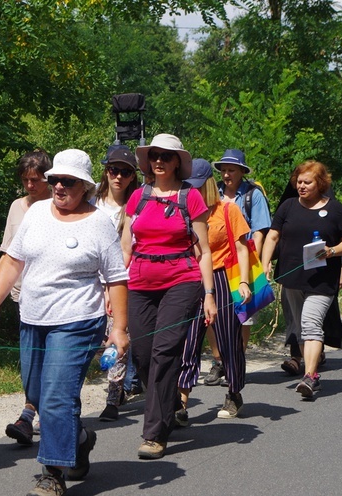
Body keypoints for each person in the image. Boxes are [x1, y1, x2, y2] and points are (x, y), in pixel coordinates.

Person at [0, 149, 129, 496]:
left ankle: (53, 474)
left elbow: (117, 278)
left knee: (56, 398)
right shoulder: (34, 213)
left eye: (68, 181)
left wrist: (118, 329)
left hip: (77, 321)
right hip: (33, 318)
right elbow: (13, 261)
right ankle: (77, 439)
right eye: (55, 180)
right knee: (36, 393)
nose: (59, 186)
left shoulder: (98, 224)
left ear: (86, 186)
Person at [123, 134, 217, 459]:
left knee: (165, 351)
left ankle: (154, 434)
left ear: (177, 161)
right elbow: (125, 245)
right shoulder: (137, 197)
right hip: (139, 282)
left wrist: (209, 294)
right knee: (144, 354)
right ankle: (170, 403)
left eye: (165, 155)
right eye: (154, 155)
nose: (159, 161)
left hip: (182, 279)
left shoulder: (191, 198)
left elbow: (205, 252)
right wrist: (114, 289)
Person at [261, 160, 342, 397]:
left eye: (307, 182)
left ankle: (310, 376)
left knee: (311, 324)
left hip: (322, 280)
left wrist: (333, 251)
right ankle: (309, 370)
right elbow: (272, 236)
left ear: (320, 183)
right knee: (301, 327)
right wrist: (264, 264)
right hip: (291, 277)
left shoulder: (335, 210)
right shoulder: (288, 207)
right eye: (299, 182)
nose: (301, 186)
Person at [177, 158, 251, 424]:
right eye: (189, 186)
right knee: (188, 340)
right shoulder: (183, 210)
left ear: (208, 184)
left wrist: (244, 282)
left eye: (197, 186)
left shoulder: (227, 210)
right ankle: (181, 403)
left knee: (229, 340)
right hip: (191, 277)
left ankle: (233, 391)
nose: (192, 191)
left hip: (222, 277)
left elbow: (242, 248)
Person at [0, 149, 53, 446]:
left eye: (36, 180)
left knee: (50, 355)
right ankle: (33, 410)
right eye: (25, 179)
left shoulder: (59, 205)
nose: (30, 185)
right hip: (23, 294)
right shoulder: (17, 207)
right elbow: (7, 251)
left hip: (54, 295)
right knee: (30, 359)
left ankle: (33, 414)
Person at [208, 149, 271, 386]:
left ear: (242, 172)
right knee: (211, 315)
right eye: (223, 170)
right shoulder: (214, 193)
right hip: (217, 262)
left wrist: (262, 263)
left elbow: (260, 231)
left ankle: (236, 360)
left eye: (231, 170)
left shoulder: (252, 195)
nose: (226, 174)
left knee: (243, 314)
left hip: (244, 260)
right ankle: (218, 361)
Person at [93, 144, 141, 422]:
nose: (119, 176)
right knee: (93, 341)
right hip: (88, 281)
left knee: (117, 338)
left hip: (120, 281)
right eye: (114, 170)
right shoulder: (91, 203)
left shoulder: (135, 207)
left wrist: (114, 285)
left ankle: (114, 394)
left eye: (125, 172)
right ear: (106, 172)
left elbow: (130, 249)